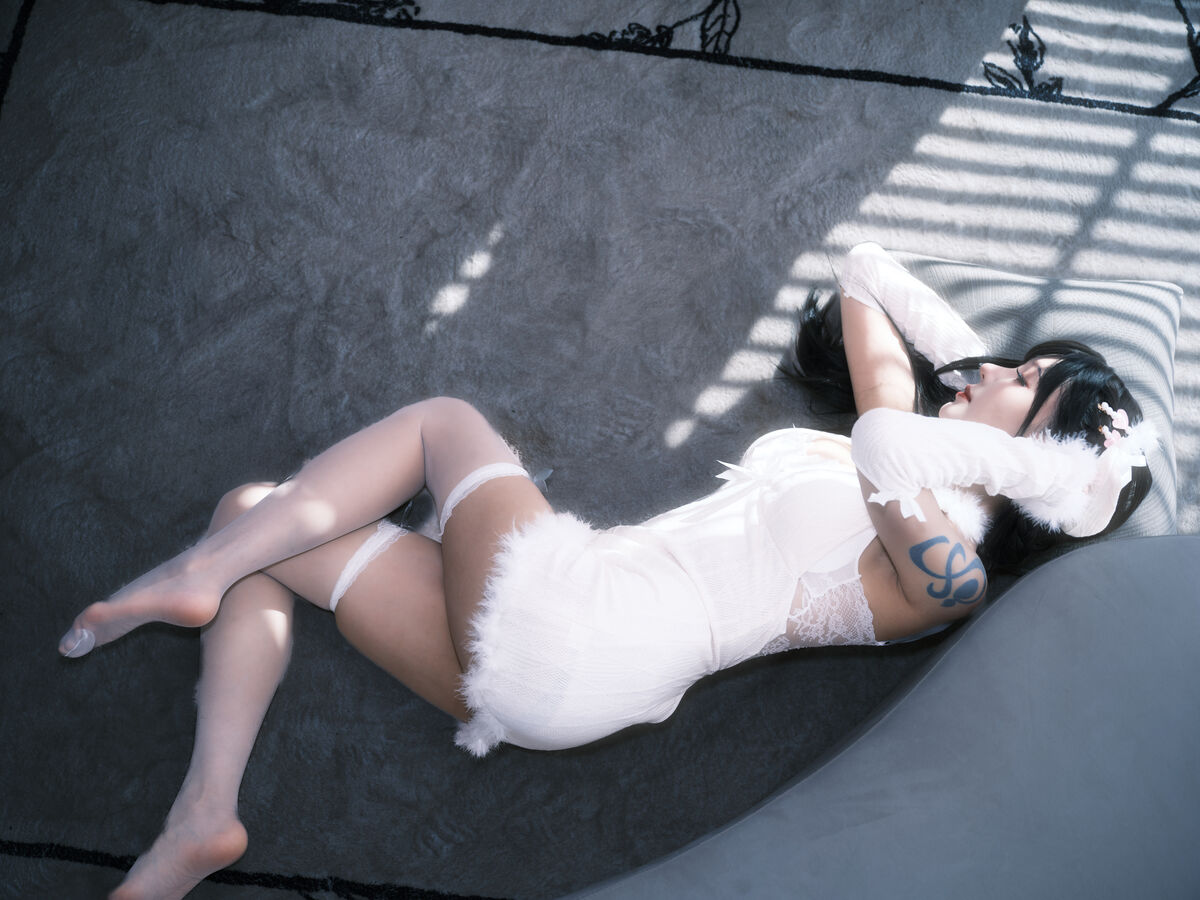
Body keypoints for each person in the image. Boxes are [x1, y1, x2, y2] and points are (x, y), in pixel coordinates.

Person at [59, 242, 1153, 900]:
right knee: (257, 516)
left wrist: (1046, 467)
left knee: (445, 422)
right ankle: (204, 816)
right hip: (571, 663)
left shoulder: (946, 569)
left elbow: (886, 450)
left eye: (1021, 382)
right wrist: (1006, 392)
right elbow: (864, 271)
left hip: (590, 628)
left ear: (1044, 471)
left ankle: (197, 576)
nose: (987, 372)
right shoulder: (906, 447)